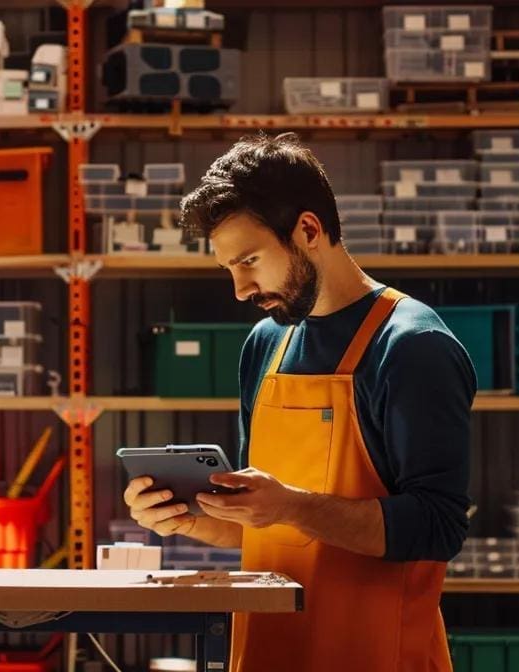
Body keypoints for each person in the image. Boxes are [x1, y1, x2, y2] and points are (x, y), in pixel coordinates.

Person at [122, 133, 474, 671]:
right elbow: (267, 527)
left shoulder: (411, 347)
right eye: (229, 269)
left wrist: (291, 505)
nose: (241, 289)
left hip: (377, 656)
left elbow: (438, 527)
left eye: (250, 261)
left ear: (309, 230)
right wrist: (191, 519)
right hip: (267, 652)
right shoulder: (267, 343)